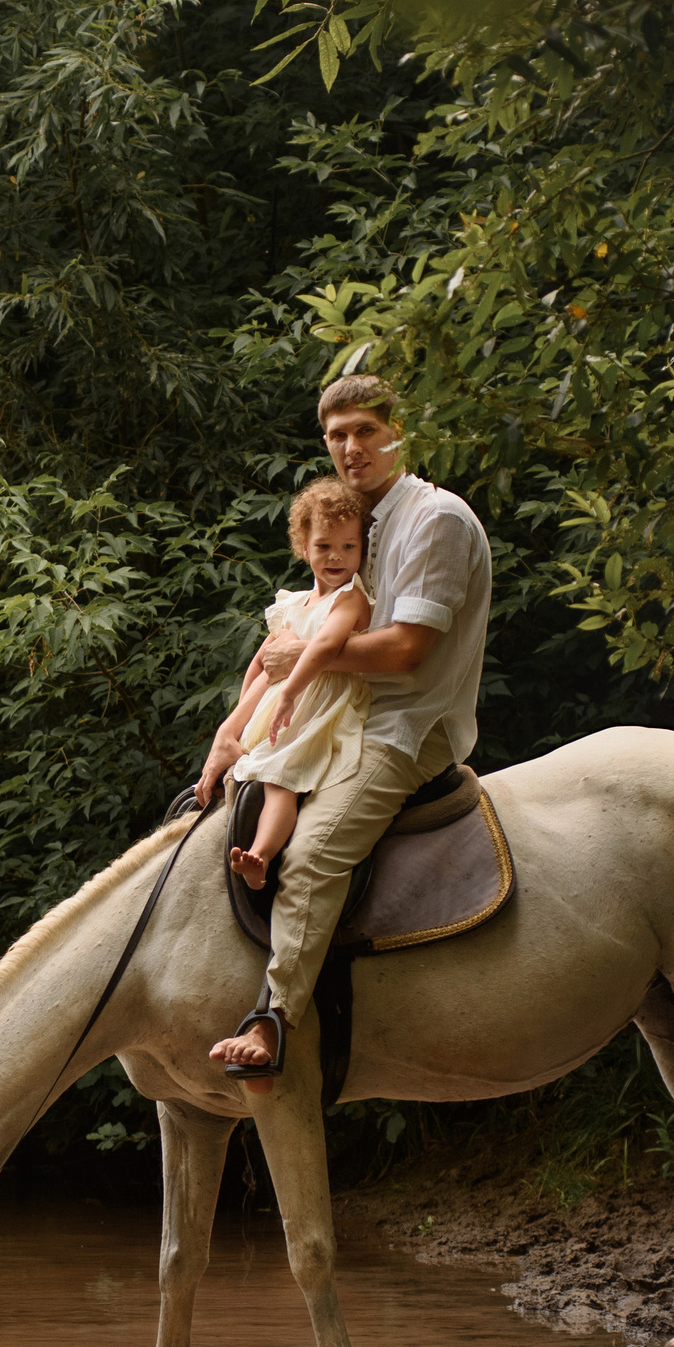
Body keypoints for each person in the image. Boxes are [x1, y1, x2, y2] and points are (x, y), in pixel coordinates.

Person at [202, 371, 492, 1091]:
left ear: (399, 432)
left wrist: (304, 660)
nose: (350, 447)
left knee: (314, 856)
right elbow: (293, 632)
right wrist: (232, 728)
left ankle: (275, 1016)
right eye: (337, 435)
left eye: (365, 430)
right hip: (342, 714)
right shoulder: (353, 521)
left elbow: (405, 650)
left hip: (403, 728)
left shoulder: (436, 519)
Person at [194, 477, 375, 892]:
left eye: (349, 547)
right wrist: (240, 719)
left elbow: (328, 646)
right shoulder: (293, 604)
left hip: (317, 708)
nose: (336, 557)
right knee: (251, 771)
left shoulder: (350, 598)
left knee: (282, 779)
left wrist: (291, 691)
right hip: (281, 710)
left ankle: (261, 853)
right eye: (324, 546)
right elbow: (262, 663)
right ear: (303, 546)